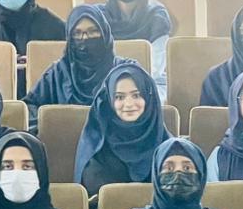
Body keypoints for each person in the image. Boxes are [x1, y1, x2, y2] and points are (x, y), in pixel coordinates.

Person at [23, 5, 132, 133]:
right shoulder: (58, 73)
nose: (85, 38)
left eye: (93, 31)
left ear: (105, 33)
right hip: (64, 140)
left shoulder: (125, 70)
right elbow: (29, 107)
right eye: (77, 33)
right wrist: (50, 124)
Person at [73, 64, 172, 196]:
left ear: (149, 97)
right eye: (119, 97)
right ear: (109, 100)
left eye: (136, 95)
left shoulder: (169, 148)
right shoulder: (97, 150)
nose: (129, 104)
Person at [98, 0, 172, 98]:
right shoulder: (98, 16)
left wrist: (126, 86)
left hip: (150, 83)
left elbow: (156, 66)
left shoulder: (157, 17)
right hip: (105, 83)